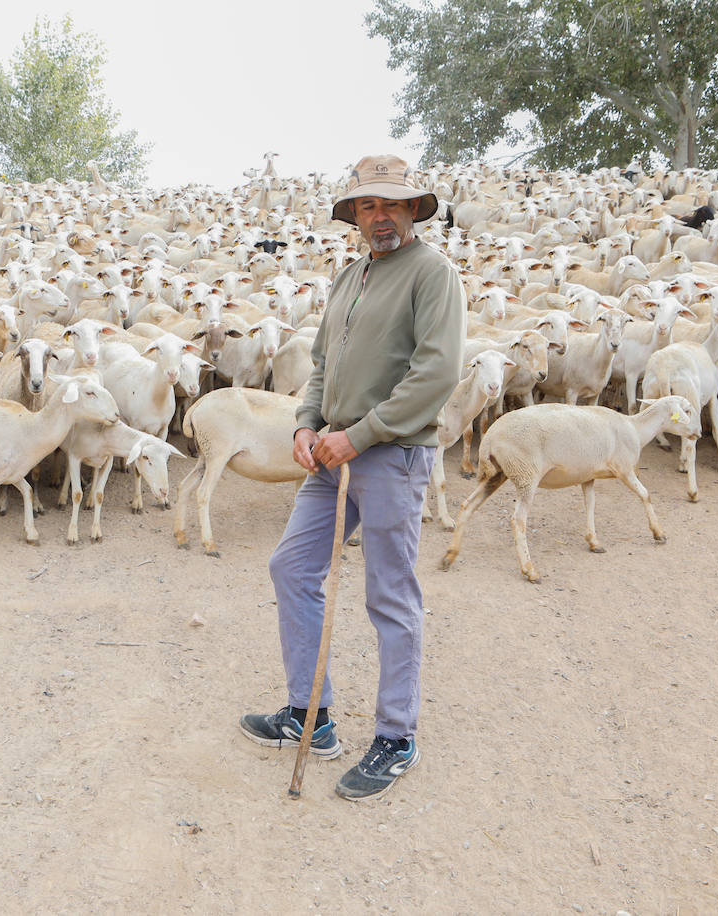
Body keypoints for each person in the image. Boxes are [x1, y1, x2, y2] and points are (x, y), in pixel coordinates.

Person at [239, 154, 466, 801]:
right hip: (330, 456)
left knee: (390, 595)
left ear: (414, 209)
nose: (380, 216)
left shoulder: (433, 274)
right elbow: (319, 364)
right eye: (368, 206)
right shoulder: (349, 278)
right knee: (291, 567)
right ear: (355, 216)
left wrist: (358, 434)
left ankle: (397, 736)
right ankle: (312, 717)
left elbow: (437, 372)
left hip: (391, 455)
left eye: (392, 204)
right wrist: (306, 425)